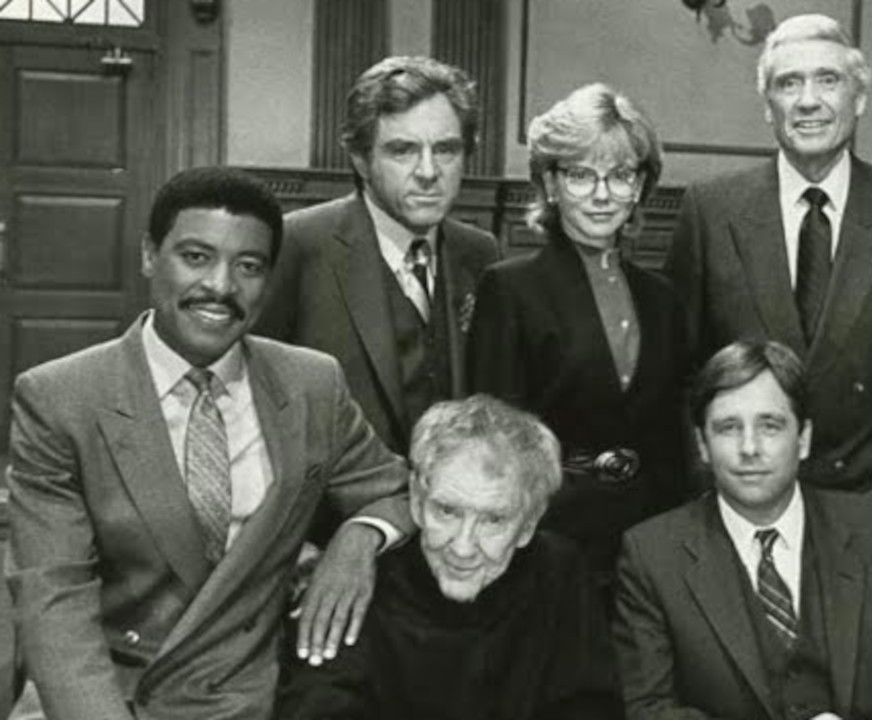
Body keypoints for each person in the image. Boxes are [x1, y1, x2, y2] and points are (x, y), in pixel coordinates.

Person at [5, 167, 415, 720]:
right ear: (150, 255)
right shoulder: (61, 398)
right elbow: (55, 600)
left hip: (252, 694)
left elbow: (396, 489)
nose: (221, 286)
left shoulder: (312, 382)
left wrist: (359, 538)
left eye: (249, 266)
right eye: (196, 257)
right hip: (113, 692)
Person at [665, 13, 872, 543]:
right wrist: (706, 481)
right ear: (768, 106)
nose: (808, 101)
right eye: (789, 84)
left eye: (828, 80)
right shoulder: (710, 210)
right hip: (738, 514)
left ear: (860, 98)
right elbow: (678, 375)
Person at [613, 340, 872, 720]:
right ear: (702, 445)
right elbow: (649, 712)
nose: (749, 448)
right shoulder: (652, 556)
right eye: (728, 428)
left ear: (803, 439)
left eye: (770, 426)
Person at [276, 394, 623, 719]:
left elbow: (591, 705)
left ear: (528, 524)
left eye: (493, 520)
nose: (463, 548)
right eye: (447, 511)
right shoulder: (359, 585)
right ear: (416, 500)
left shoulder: (559, 571)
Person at [467, 83, 688, 591]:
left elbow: (671, 442)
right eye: (581, 175)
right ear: (550, 183)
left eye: (621, 175)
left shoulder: (663, 299)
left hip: (651, 545)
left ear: (641, 186)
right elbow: (495, 448)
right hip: (550, 543)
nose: (602, 195)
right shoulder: (509, 289)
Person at [257, 56, 499, 456]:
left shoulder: (480, 251)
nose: (428, 172)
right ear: (361, 159)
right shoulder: (296, 243)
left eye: (446, 150)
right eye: (403, 151)